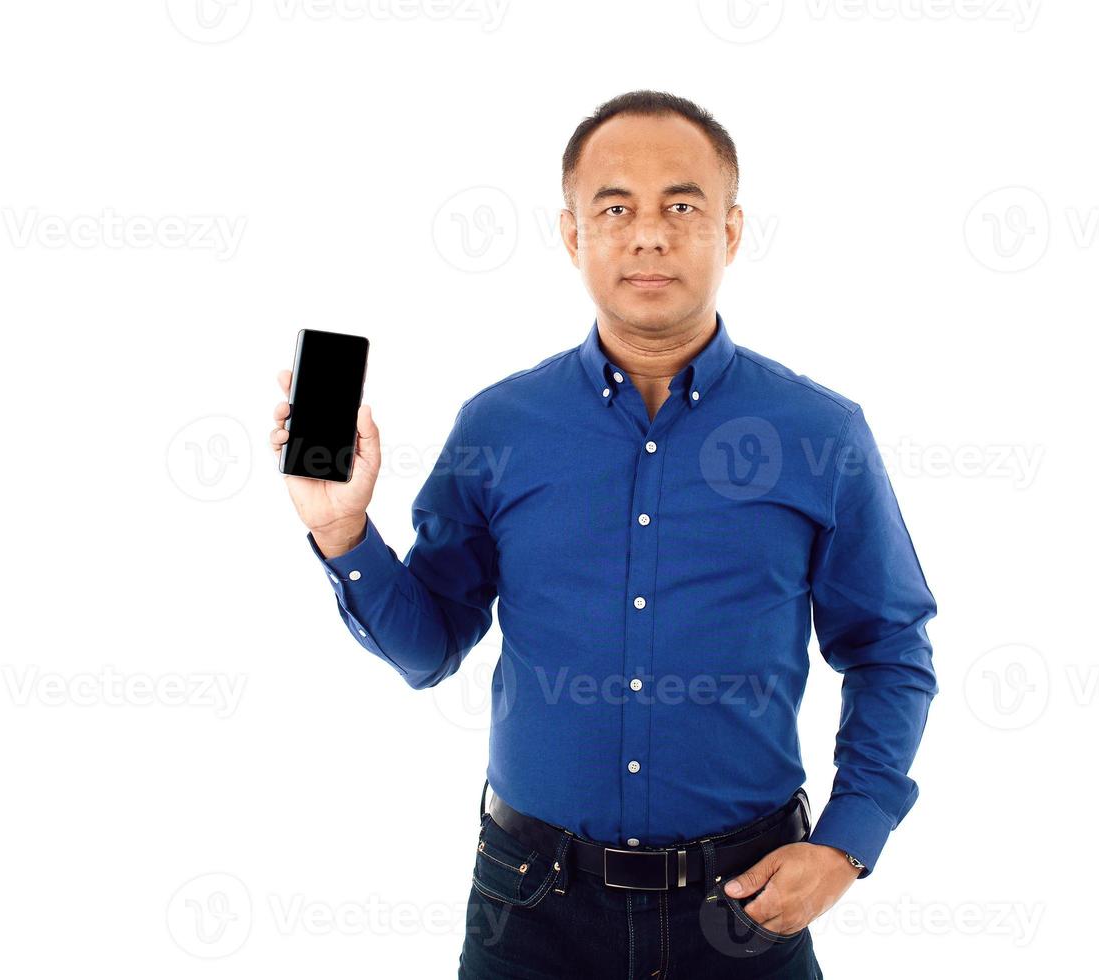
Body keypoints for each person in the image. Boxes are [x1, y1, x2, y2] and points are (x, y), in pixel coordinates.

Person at [269, 89, 937, 979]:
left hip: (745, 912)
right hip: (530, 912)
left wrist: (848, 843)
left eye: (681, 207)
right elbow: (429, 649)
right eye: (615, 208)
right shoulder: (500, 426)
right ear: (572, 234)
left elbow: (889, 648)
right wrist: (344, 531)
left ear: (731, 232)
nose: (649, 235)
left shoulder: (820, 434)